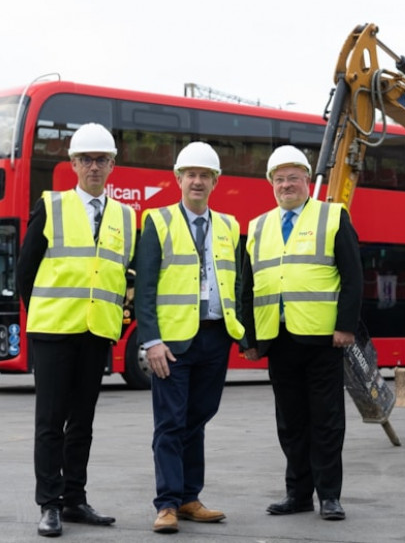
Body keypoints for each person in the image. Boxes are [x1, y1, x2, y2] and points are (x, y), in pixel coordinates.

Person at [16, 122, 136, 538]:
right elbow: (25, 272)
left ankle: (74, 499)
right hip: (53, 332)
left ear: (113, 165)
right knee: (50, 420)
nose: (94, 167)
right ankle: (48, 504)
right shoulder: (50, 206)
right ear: (73, 164)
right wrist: (45, 316)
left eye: (102, 159)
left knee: (82, 422)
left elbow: (124, 274)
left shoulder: (125, 215)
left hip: (96, 332)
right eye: (86, 159)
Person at [241, 145, 362, 521]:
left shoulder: (332, 217)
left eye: (293, 177)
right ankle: (297, 494)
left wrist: (345, 326)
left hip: (322, 339)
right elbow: (246, 285)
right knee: (290, 421)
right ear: (271, 184)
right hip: (277, 339)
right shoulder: (259, 227)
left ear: (307, 180)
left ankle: (329, 496)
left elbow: (353, 277)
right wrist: (248, 339)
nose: (286, 184)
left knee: (326, 419)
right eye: (279, 179)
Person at [134, 141, 245, 534]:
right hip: (173, 343)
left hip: (215, 337)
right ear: (178, 178)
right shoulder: (157, 221)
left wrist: (244, 335)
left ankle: (188, 497)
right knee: (170, 422)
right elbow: (144, 288)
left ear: (216, 182)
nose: (197, 181)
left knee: (197, 419)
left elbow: (241, 284)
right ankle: (167, 503)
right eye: (191, 174)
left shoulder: (230, 226)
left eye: (205, 175)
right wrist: (151, 341)